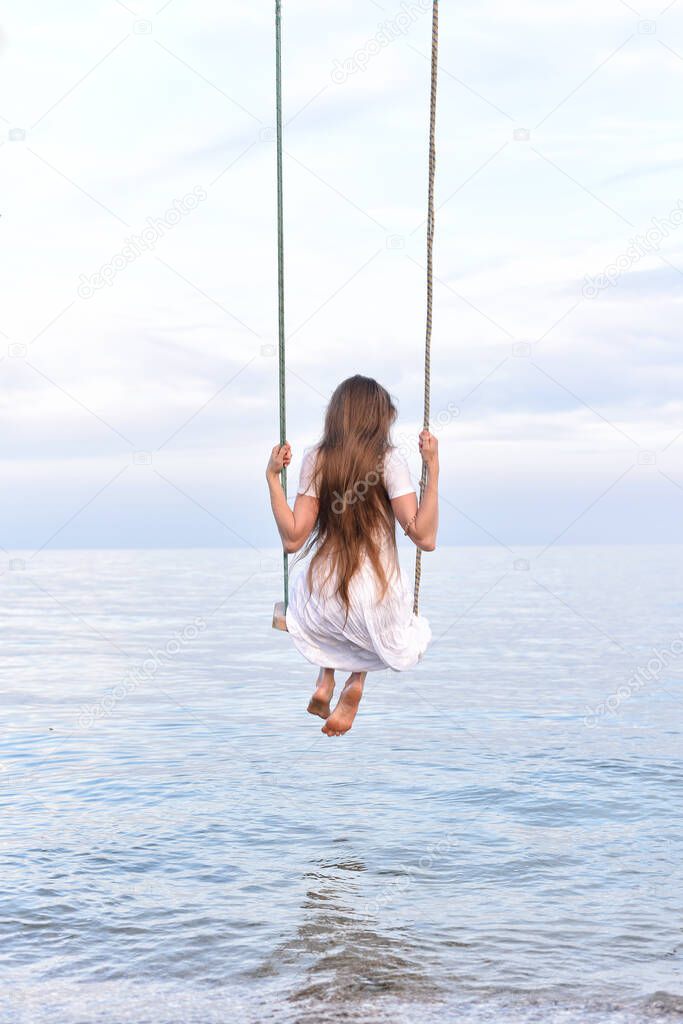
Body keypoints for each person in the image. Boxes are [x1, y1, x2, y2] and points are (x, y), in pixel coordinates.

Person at [266, 375, 438, 737]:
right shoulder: (389, 461)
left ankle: (325, 680)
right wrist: (433, 467)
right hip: (377, 600)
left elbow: (293, 539)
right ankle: (355, 682)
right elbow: (425, 538)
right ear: (377, 418)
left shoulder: (317, 459)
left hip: (323, 599)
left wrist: (271, 477)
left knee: (315, 599)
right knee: (389, 624)